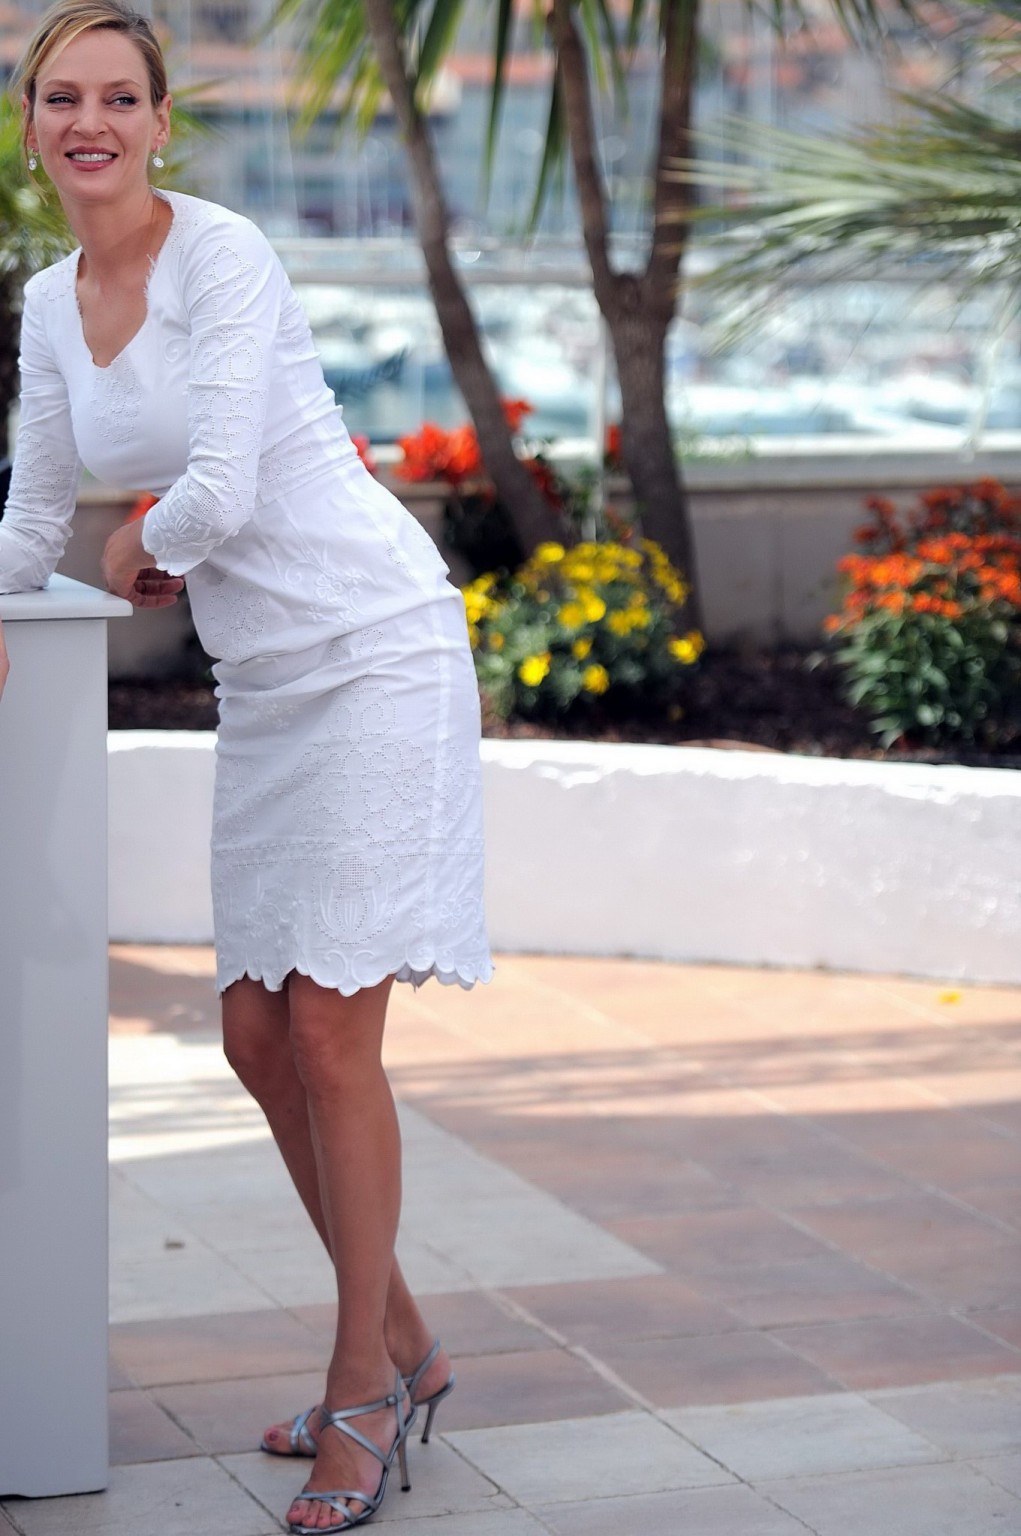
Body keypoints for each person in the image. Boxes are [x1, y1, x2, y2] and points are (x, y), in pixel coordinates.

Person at [0, 3, 492, 1530]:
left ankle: (362, 1392)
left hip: (372, 646)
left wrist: (143, 537)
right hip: (270, 682)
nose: (91, 122)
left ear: (161, 120)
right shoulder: (42, 298)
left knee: (333, 1039)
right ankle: (408, 1344)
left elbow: (209, 484)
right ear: (31, 126)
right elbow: (32, 503)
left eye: (119, 98)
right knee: (254, 1042)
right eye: (60, 98)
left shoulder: (220, 253)